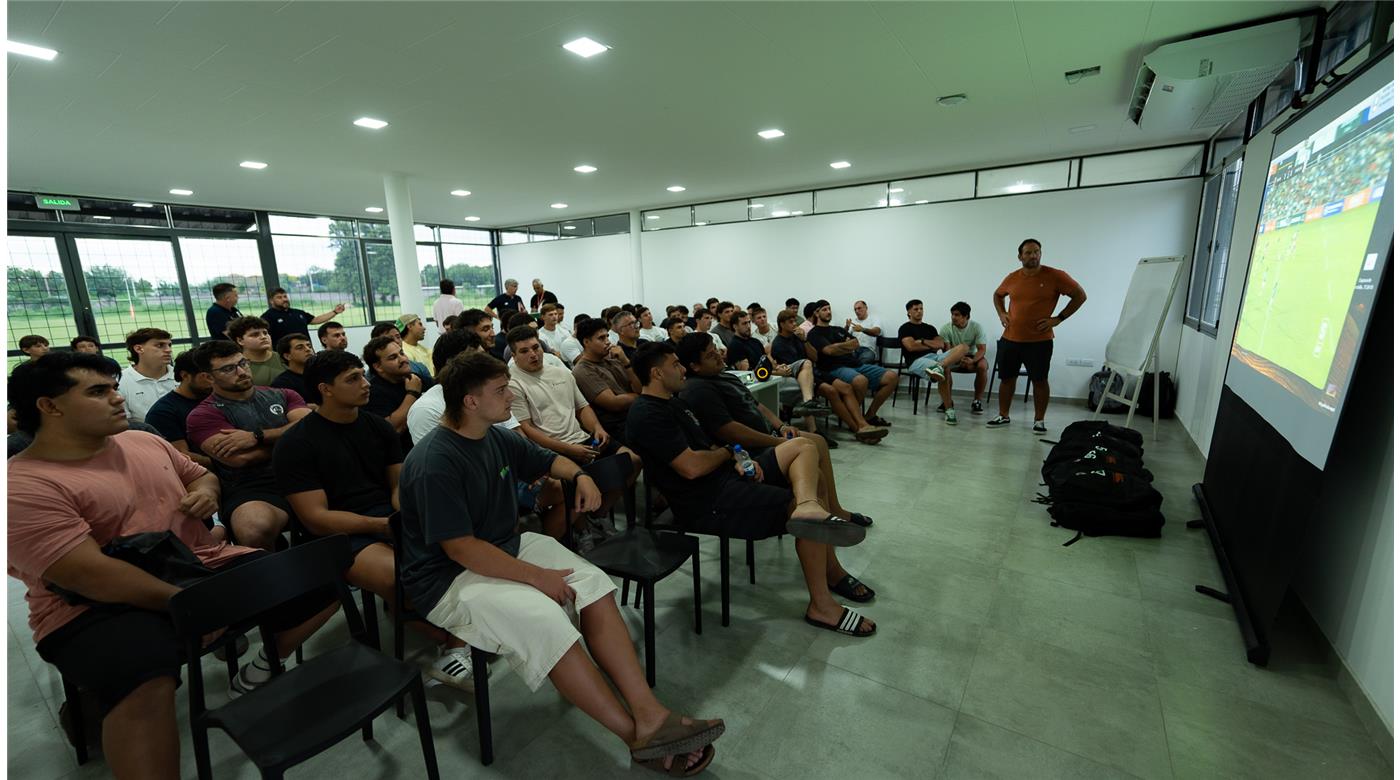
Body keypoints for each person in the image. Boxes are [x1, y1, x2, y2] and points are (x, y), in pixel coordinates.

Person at [7, 352, 337, 780]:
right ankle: (105, 701)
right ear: (49, 406)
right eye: (98, 392)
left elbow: (200, 474)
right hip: (93, 607)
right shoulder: (24, 484)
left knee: (317, 583)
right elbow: (89, 575)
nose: (117, 398)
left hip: (200, 565)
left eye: (113, 388)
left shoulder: (141, 440)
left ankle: (261, 666)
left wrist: (207, 492)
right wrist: (197, 606)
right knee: (143, 684)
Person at [398, 351, 725, 775]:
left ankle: (649, 712)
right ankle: (638, 739)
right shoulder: (433, 462)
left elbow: (548, 460)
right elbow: (461, 549)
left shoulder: (493, 437)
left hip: (502, 547)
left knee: (594, 585)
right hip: (448, 579)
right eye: (501, 390)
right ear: (471, 402)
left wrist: (580, 475)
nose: (511, 395)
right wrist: (538, 578)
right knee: (547, 621)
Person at [626, 342, 876, 637]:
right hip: (704, 502)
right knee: (799, 506)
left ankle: (811, 513)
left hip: (724, 479)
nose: (682, 370)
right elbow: (691, 467)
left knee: (804, 448)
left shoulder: (674, 402)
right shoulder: (648, 414)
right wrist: (727, 454)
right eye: (676, 364)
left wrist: (739, 458)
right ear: (657, 373)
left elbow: (709, 447)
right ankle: (821, 605)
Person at [273, 350, 477, 689]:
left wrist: (403, 515)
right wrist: (380, 526)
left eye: (363, 375)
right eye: (353, 379)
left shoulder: (377, 427)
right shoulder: (296, 443)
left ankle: (459, 636)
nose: (365, 384)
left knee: (456, 551)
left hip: (386, 518)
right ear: (325, 389)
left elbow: (397, 486)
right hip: (336, 536)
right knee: (399, 575)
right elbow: (316, 518)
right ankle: (452, 643)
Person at [676, 334, 873, 531]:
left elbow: (757, 405)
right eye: (710, 355)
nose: (719, 356)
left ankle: (834, 508)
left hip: (767, 438)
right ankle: (811, 510)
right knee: (812, 464)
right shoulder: (699, 389)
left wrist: (781, 427)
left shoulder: (725, 375)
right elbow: (731, 432)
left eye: (716, 350)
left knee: (818, 441)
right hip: (748, 452)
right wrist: (775, 441)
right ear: (695, 366)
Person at [408, 329, 568, 539]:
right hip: (479, 484)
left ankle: (544, 544)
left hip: (504, 470)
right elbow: (450, 467)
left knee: (565, 484)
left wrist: (532, 466)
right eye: (477, 358)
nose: (486, 362)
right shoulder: (426, 409)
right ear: (455, 365)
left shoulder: (492, 394)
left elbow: (517, 435)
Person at [186, 340, 310, 550]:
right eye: (228, 369)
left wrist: (257, 436)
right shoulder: (203, 415)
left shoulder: (284, 394)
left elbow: (309, 428)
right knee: (253, 528)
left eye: (243, 363)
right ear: (208, 377)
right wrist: (292, 441)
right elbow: (240, 459)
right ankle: (272, 566)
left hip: (306, 475)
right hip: (252, 486)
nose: (241, 372)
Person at [989, 238, 1087, 432]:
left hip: (1039, 341)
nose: (1033, 256)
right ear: (1020, 256)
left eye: (1036, 252)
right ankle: (1003, 415)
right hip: (1010, 339)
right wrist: (1002, 313)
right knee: (1007, 379)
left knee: (1039, 380)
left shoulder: (1056, 276)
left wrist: (1058, 318)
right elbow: (998, 295)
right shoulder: (1012, 277)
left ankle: (1039, 420)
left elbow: (1080, 296)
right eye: (1028, 252)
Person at [808, 301, 898, 430]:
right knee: (861, 381)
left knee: (892, 377)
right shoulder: (814, 333)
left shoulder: (838, 329)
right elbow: (829, 351)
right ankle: (855, 419)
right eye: (824, 309)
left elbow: (856, 343)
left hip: (855, 364)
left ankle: (869, 415)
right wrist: (845, 346)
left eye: (829, 309)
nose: (828, 312)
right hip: (834, 367)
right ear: (816, 313)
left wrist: (838, 347)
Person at [899, 299, 970, 425]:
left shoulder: (930, 328)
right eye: (916, 309)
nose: (919, 311)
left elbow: (940, 344)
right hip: (916, 361)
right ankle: (949, 410)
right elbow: (911, 347)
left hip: (934, 358)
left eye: (921, 308)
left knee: (964, 347)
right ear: (909, 312)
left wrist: (922, 341)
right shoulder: (905, 328)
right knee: (945, 370)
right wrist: (931, 345)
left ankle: (939, 366)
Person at [572, 318, 641, 444]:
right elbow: (614, 403)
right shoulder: (583, 370)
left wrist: (626, 362)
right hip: (619, 426)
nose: (607, 342)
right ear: (586, 342)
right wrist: (642, 396)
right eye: (601, 338)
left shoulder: (614, 360)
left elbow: (640, 387)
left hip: (636, 413)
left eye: (607, 336)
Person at [145, 349, 214, 468]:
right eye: (207, 376)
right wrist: (227, 463)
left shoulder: (217, 397)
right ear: (185, 375)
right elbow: (182, 456)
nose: (213, 381)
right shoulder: (162, 412)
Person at [362, 335, 429, 452]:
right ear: (378, 367)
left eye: (402, 353)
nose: (403, 359)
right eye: (393, 357)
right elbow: (393, 429)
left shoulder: (416, 379)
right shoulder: (372, 393)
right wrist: (412, 393)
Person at [939, 301, 990, 415]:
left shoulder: (977, 327)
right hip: (953, 355)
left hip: (973, 356)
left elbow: (982, 349)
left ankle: (977, 401)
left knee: (983, 366)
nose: (953, 317)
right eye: (952, 314)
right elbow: (946, 351)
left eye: (957, 315)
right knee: (944, 366)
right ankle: (947, 401)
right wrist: (958, 359)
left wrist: (973, 360)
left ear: (966, 316)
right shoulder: (946, 328)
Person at [119, 327, 176, 423]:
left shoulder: (183, 376)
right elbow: (125, 422)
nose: (168, 350)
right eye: (160, 345)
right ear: (139, 349)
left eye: (169, 345)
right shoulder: (120, 382)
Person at [260, 287, 345, 344]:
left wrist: (335, 312)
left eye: (285, 296)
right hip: (285, 357)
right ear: (271, 301)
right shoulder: (267, 317)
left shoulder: (298, 313)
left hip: (307, 352)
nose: (284, 299)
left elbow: (315, 320)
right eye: (279, 297)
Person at [227, 316, 286, 386]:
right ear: (240, 340)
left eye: (265, 333)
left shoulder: (285, 358)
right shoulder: (236, 368)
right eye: (255, 335)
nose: (263, 337)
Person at [271, 333, 316, 404]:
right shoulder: (282, 384)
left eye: (309, 346)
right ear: (287, 356)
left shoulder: (322, 374)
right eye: (300, 348)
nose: (308, 349)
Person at [848, 300, 883, 365]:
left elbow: (877, 332)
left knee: (863, 362)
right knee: (845, 360)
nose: (857, 311)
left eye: (859, 308)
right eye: (855, 309)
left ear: (866, 308)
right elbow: (846, 337)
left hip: (868, 350)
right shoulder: (853, 321)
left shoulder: (874, 319)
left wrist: (862, 329)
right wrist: (846, 327)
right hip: (854, 349)